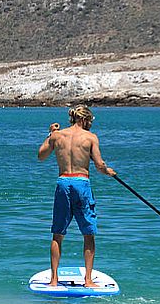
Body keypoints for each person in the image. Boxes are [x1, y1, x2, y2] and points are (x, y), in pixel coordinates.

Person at [37, 105, 117, 287]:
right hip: (81, 183)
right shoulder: (90, 137)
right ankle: (88, 280)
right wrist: (108, 171)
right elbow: (98, 165)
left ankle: (54, 280)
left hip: (63, 182)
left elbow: (41, 156)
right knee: (88, 234)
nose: (90, 125)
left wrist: (50, 134)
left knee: (57, 234)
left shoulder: (57, 136)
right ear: (84, 119)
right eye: (89, 121)